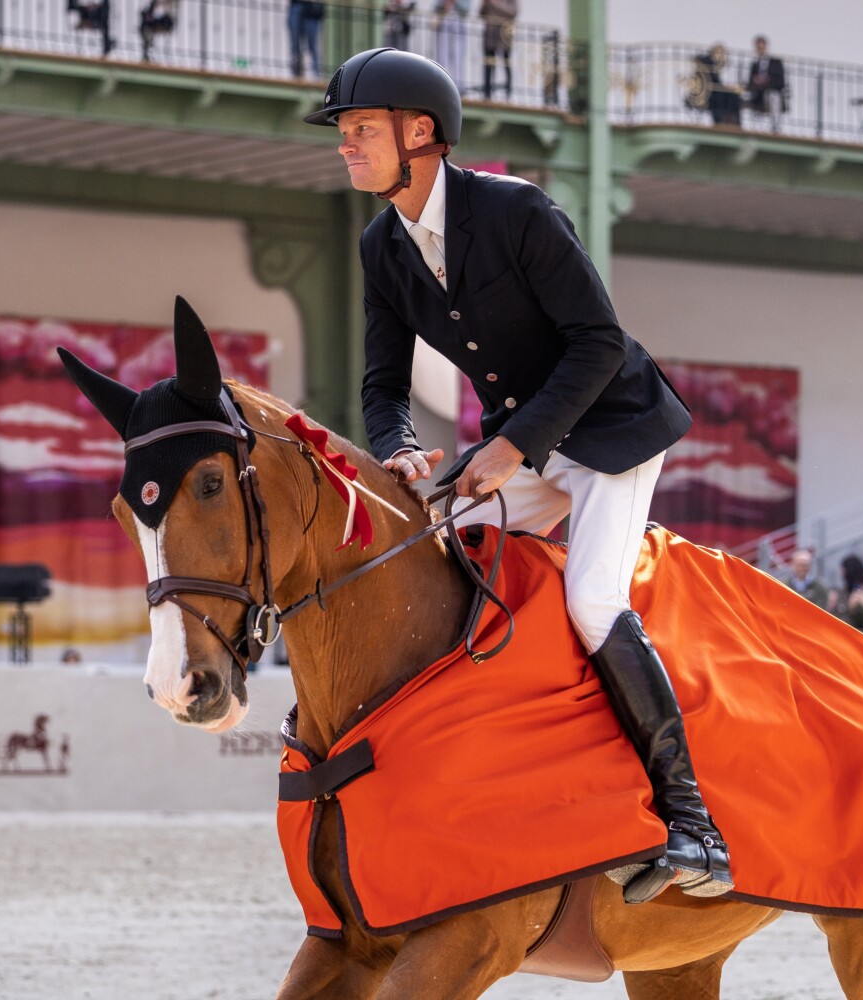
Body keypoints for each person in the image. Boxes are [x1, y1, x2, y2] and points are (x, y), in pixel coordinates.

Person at [306, 47, 724, 903]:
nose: (345, 147)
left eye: (358, 131)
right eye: (343, 134)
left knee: (591, 601)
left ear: (419, 133)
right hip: (521, 442)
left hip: (613, 428)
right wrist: (398, 447)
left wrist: (512, 449)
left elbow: (600, 344)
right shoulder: (382, 246)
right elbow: (382, 386)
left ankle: (693, 826)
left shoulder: (517, 211)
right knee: (439, 560)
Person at [742, 35, 786, 129]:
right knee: (744, 97)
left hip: (771, 92)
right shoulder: (755, 65)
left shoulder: (776, 62)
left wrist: (767, 81)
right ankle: (752, 127)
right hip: (758, 94)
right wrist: (756, 82)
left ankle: (775, 126)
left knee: (773, 96)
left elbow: (780, 81)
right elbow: (750, 81)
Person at [478, 0, 517, 101]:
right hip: (490, 36)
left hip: (504, 37)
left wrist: (495, 4)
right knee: (489, 65)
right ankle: (487, 94)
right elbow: (481, 14)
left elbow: (513, 12)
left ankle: (508, 94)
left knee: (506, 64)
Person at [431, 0, 472, 93]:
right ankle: (440, 82)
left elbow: (466, 9)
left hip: (458, 21)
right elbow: (436, 6)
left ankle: (458, 86)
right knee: (441, 55)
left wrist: (455, 3)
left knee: (457, 56)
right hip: (444, 19)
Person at [782, 548, 834, 613]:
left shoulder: (820, 587)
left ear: (810, 566)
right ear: (793, 565)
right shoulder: (784, 586)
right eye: (799, 565)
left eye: (805, 565)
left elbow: (822, 609)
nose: (802, 568)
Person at [289, 1, 326, 79]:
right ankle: (296, 73)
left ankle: (316, 73)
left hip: (312, 12)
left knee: (312, 46)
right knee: (295, 46)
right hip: (297, 7)